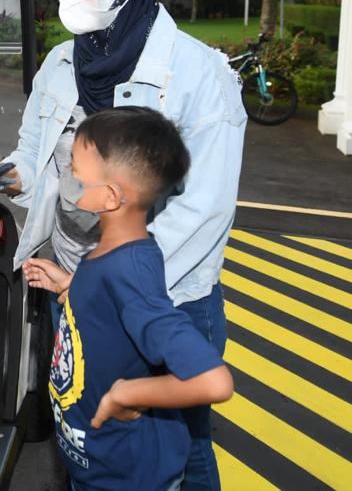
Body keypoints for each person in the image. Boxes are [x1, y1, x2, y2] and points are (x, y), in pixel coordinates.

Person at [0, 0, 245, 490]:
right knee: (87, 422)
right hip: (74, 281)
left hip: (159, 291)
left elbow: (204, 210)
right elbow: (34, 155)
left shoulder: (198, 75)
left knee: (180, 446)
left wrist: (108, 278)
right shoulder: (62, 64)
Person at [26, 107, 233, 490]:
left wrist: (130, 392)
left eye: (75, 170)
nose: (68, 178)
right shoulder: (114, 253)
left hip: (127, 475)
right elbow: (113, 307)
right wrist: (71, 287)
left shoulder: (130, 270)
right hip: (93, 458)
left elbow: (213, 381)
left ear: (110, 196)